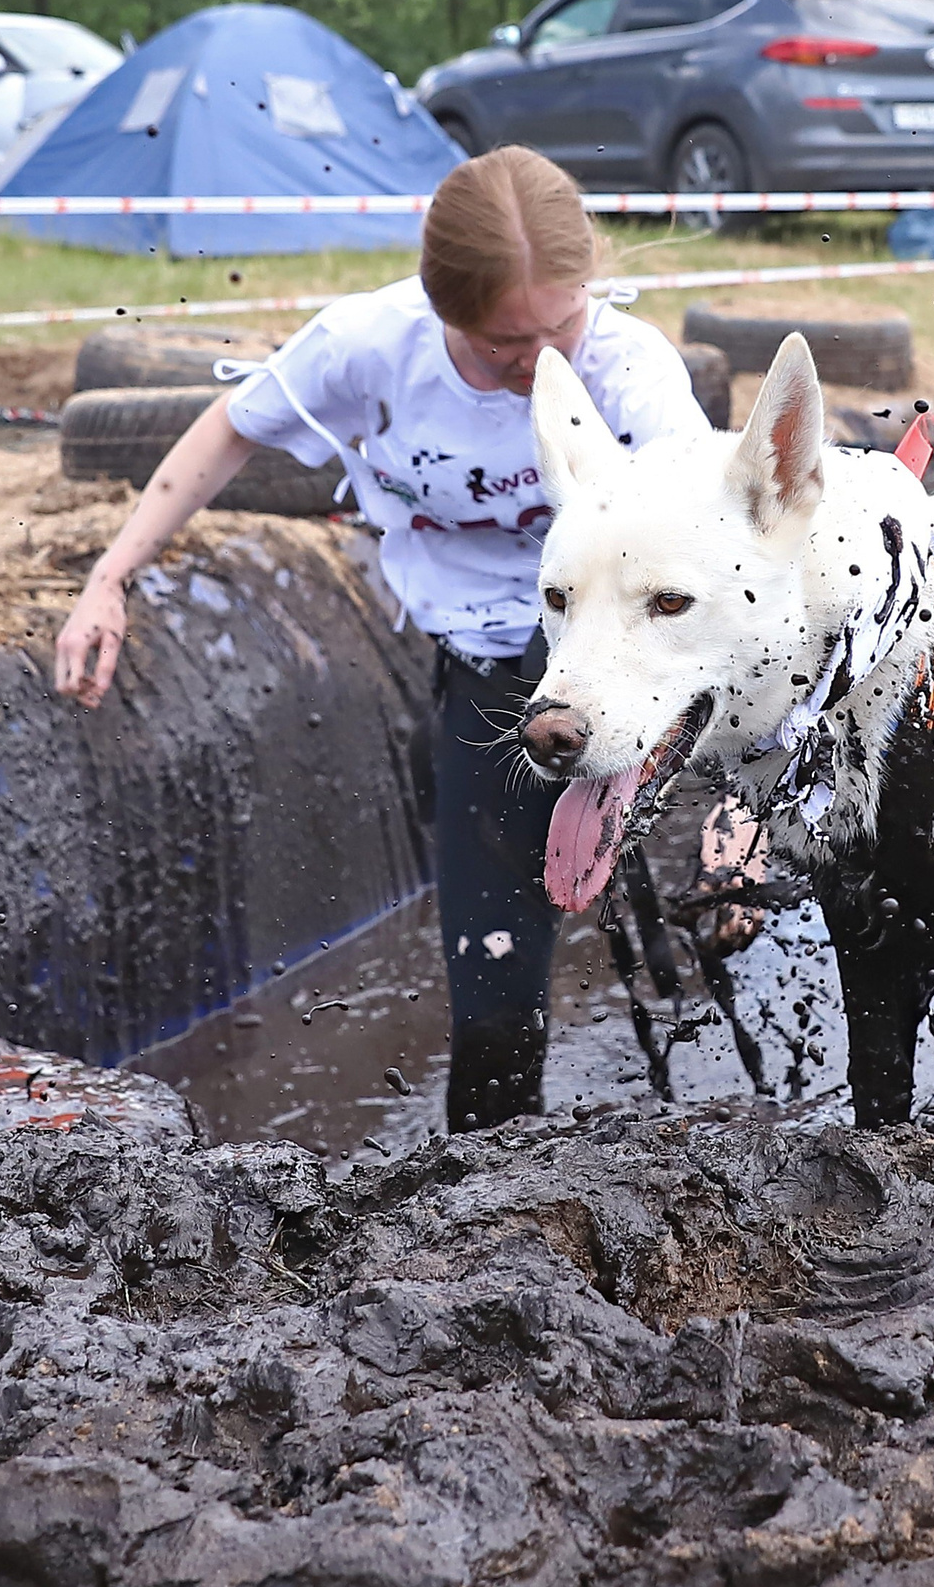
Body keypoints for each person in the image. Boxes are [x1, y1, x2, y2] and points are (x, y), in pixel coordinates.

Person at [53, 146, 757, 1134]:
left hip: (621, 651)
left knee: (720, 897)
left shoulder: (629, 367)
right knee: (495, 992)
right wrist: (109, 577)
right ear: (446, 315)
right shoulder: (368, 345)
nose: (545, 358)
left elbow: (714, 527)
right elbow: (228, 430)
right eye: (511, 343)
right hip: (487, 660)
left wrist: (739, 805)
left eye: (564, 320)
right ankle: (488, 1199)